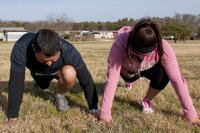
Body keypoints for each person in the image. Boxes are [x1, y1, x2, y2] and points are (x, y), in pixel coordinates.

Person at [99, 19, 200, 125]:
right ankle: (128, 81)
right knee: (129, 77)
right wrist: (105, 114)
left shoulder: (164, 47)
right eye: (139, 53)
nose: (142, 56)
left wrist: (190, 114)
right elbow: (112, 79)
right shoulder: (120, 45)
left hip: (147, 68)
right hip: (128, 72)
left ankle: (146, 100)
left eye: (146, 53)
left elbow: (177, 80)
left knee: (164, 73)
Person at [4, 29, 98, 127]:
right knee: (43, 87)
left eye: (53, 60)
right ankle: (41, 83)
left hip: (59, 72)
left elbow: (86, 79)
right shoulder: (21, 47)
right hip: (37, 73)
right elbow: (16, 82)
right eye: (43, 60)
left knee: (70, 72)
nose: (49, 64)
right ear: (33, 48)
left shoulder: (68, 50)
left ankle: (59, 95)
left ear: (60, 48)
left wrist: (93, 108)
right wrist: (13, 116)